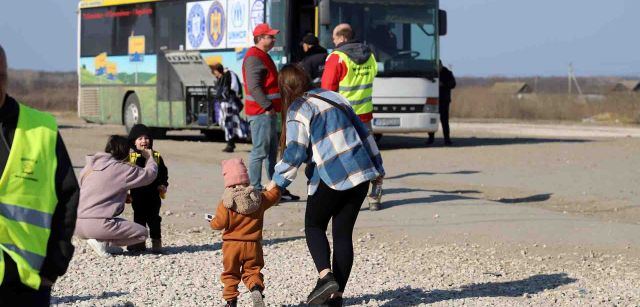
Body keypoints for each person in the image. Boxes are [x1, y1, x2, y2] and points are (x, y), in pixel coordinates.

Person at [270, 65, 384, 306]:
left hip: (335, 175)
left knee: (314, 225)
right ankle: (336, 298)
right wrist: (378, 169)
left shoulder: (298, 108)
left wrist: (276, 184)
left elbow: (295, 153)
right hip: (361, 172)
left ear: (284, 88)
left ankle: (325, 278)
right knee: (343, 234)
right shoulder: (334, 96)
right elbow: (365, 134)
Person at [0, 44, 80, 306]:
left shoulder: (41, 130)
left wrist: (53, 267)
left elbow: (68, 197)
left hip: (27, 286)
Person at [320, 23, 383, 211]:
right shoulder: (370, 56)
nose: (333, 41)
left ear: (343, 38)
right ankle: (375, 195)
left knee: (343, 157)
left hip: (343, 117)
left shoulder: (336, 58)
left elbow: (327, 90)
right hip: (364, 115)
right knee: (371, 154)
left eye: (334, 37)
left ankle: (345, 198)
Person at [209, 158, 281, 307]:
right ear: (246, 179)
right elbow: (275, 196)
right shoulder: (259, 198)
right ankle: (255, 288)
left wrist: (212, 221)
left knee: (230, 273)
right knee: (253, 271)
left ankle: (231, 301)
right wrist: (272, 186)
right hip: (253, 246)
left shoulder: (226, 202)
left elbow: (219, 224)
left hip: (232, 246)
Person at [242, 23, 299, 201]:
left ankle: (275, 188)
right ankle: (256, 191)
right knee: (260, 152)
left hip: (269, 112)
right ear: (260, 38)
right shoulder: (253, 57)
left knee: (271, 152)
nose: (274, 39)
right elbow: (254, 87)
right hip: (261, 113)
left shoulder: (262, 56)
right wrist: (267, 106)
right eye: (270, 36)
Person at [75, 135, 158, 257]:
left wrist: (120, 196)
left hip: (77, 224)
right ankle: (102, 242)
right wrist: (150, 158)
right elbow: (149, 175)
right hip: (98, 225)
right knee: (142, 234)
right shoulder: (121, 169)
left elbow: (96, 190)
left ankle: (101, 243)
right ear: (124, 152)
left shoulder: (89, 167)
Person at [126, 124, 169, 253]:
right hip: (137, 195)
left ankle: (157, 242)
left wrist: (163, 184)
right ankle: (139, 243)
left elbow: (163, 173)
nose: (144, 141)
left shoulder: (156, 156)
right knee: (138, 218)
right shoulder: (131, 157)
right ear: (134, 142)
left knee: (154, 218)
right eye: (140, 139)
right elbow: (127, 175)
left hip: (153, 194)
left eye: (146, 138)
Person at [211, 63, 248, 153]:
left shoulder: (228, 75)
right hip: (225, 105)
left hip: (229, 104)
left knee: (230, 123)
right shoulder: (221, 78)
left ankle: (230, 144)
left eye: (214, 71)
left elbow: (233, 89)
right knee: (228, 124)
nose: (214, 74)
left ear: (217, 70)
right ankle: (230, 143)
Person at [428, 60, 456, 146]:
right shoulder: (431, 73)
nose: (437, 67)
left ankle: (447, 139)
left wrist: (443, 84)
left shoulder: (447, 73)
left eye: (438, 66)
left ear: (441, 65)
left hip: (444, 100)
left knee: (444, 121)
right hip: (432, 100)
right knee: (431, 120)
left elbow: (453, 84)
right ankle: (431, 138)